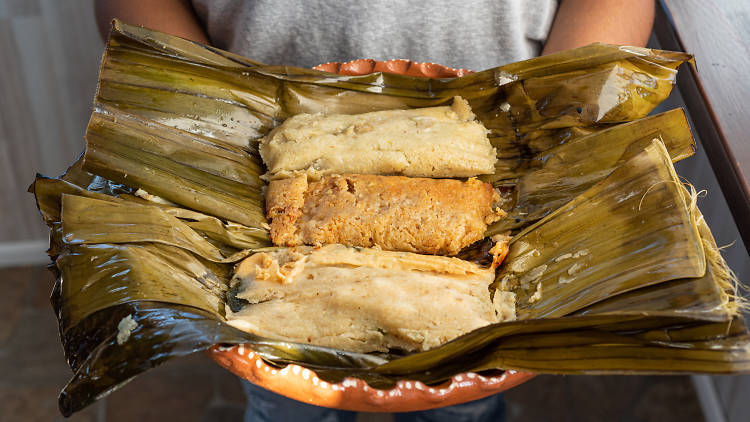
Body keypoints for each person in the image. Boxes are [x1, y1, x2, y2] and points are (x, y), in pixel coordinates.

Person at [93, 1, 655, 421]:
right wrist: (212, 109)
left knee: (463, 406)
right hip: (249, 162)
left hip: (504, 161)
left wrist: (550, 125)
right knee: (283, 400)